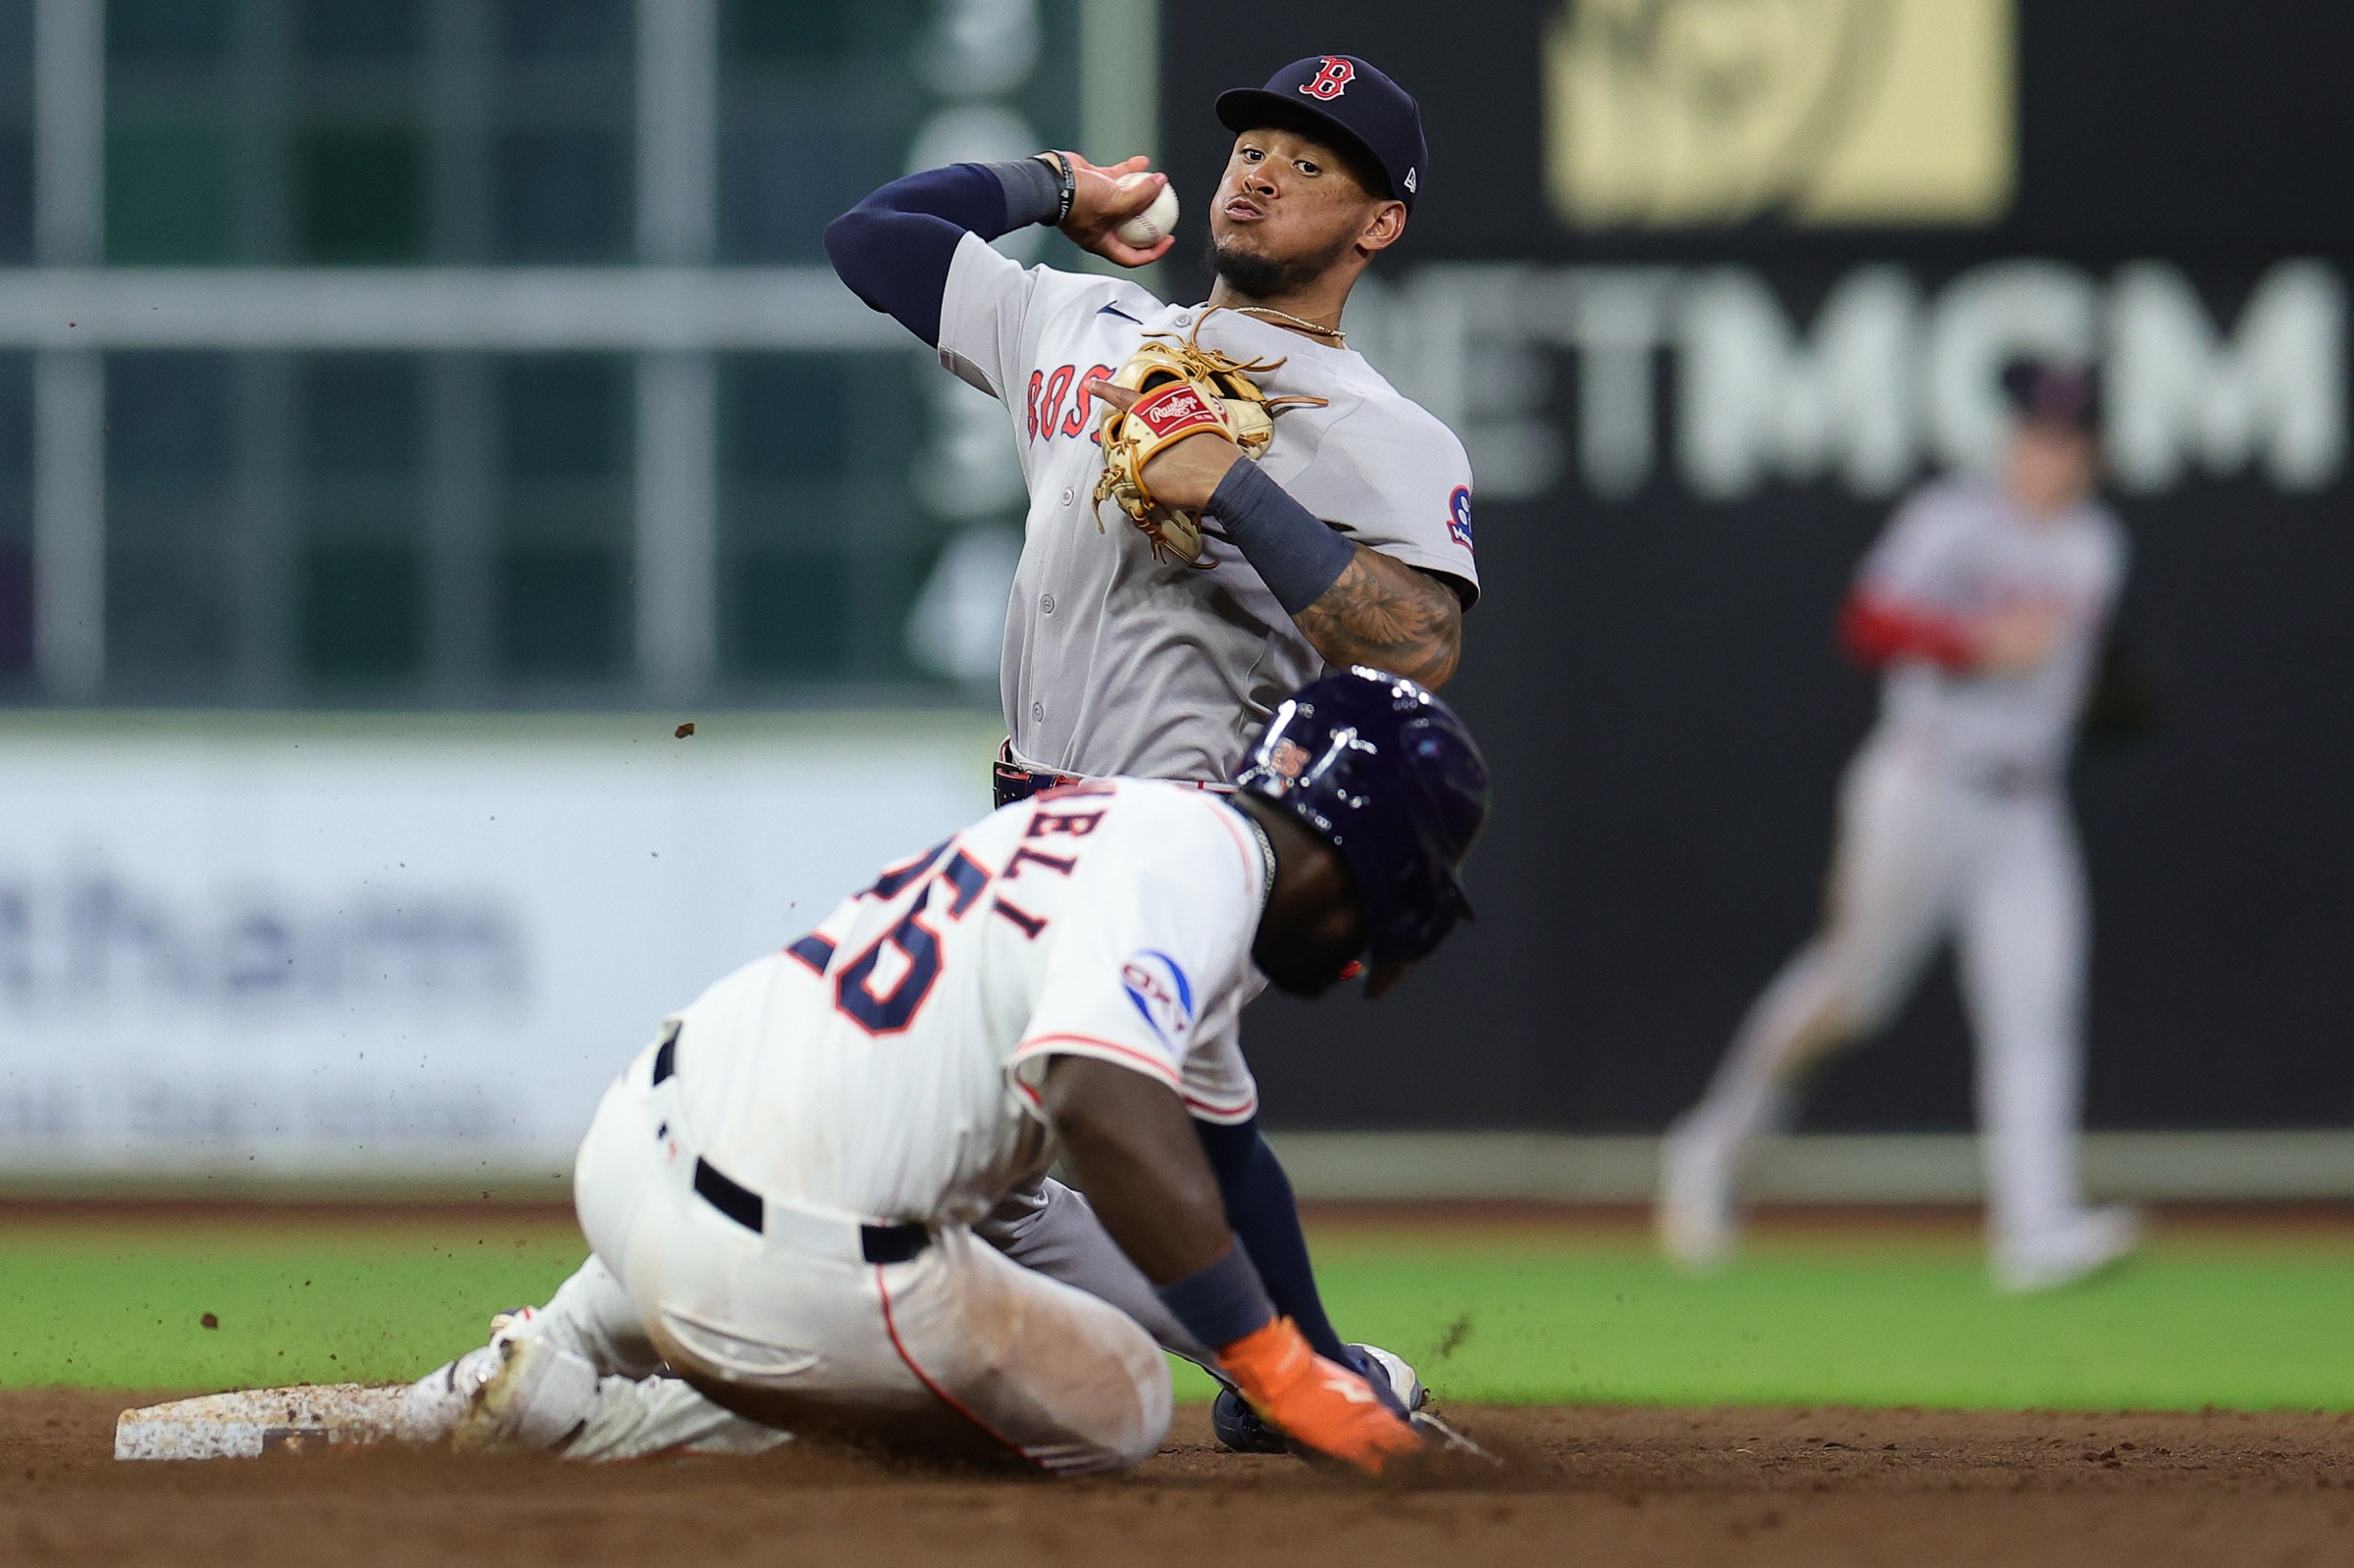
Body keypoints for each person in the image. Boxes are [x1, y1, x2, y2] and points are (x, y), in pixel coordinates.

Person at [819, 54, 1482, 1446]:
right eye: (1258, 144)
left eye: (1316, 164)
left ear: (1379, 224)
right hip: (1021, 824)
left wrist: (1234, 485)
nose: (1264, 169)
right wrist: (1059, 187)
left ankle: (1292, 1371)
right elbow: (874, 241)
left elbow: (1416, 649)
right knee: (998, 1176)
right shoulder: (1085, 322)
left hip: (1180, 829)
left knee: (1148, 1116)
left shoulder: (1385, 434)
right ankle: (1288, 1363)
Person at [399, 668, 1490, 1473]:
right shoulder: (1197, 880)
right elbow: (1101, 1109)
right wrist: (1279, 1367)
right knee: (1114, 1407)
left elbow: (1235, 1168)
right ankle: (614, 1432)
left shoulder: (1138, 828)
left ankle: (538, 1360)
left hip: (638, 1150)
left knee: (944, 1211)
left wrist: (1313, 1366)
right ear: (1376, 865)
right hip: (766, 1270)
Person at [1657, 362, 2138, 1293]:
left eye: (2070, 440)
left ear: (2094, 453)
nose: (2051, 454)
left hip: (2028, 801)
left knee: (2036, 1009)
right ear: (2014, 440)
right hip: (1924, 786)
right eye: (2039, 435)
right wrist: (1971, 644)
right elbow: (1867, 622)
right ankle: (1713, 1148)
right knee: (1852, 992)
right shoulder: (1955, 519)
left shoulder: (2096, 545)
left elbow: (2077, 679)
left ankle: (2035, 1227)